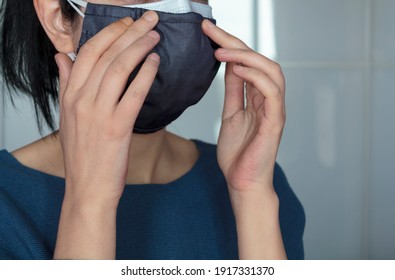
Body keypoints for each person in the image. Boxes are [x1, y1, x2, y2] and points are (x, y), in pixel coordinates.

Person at [0, 0, 305, 260]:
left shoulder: (259, 182)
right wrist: (88, 202)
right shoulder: (7, 206)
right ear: (58, 20)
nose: (181, 9)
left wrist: (252, 198)